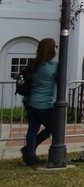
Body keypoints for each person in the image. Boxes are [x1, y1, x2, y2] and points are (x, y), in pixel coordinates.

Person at [21, 38, 57, 166]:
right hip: (45, 104)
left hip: (30, 101)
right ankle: (28, 150)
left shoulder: (33, 64)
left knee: (32, 129)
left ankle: (30, 155)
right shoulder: (53, 67)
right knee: (53, 127)